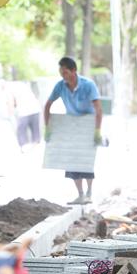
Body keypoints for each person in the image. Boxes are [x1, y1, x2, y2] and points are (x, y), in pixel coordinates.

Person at [44, 57, 102, 204]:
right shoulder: (60, 86)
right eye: (61, 72)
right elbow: (47, 106)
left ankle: (89, 192)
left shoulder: (88, 85)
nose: (63, 75)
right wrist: (48, 127)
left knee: (86, 161)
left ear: (74, 71)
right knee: (72, 162)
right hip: (71, 124)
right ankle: (80, 194)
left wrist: (97, 130)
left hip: (88, 124)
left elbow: (98, 109)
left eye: (65, 71)